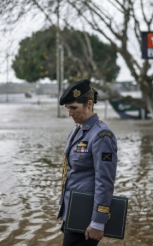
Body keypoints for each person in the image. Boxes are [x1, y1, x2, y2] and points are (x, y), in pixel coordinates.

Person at [57, 79, 118, 246]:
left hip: (87, 218)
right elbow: (71, 174)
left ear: (89, 104)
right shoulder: (77, 131)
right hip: (73, 212)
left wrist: (98, 222)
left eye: (74, 108)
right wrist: (64, 210)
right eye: (68, 108)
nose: (70, 113)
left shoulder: (102, 136)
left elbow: (105, 182)